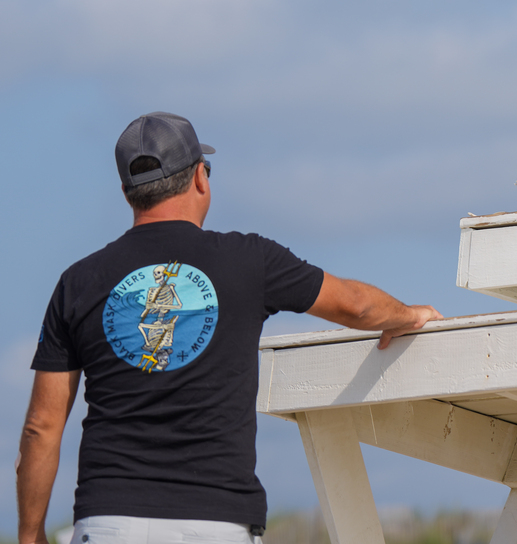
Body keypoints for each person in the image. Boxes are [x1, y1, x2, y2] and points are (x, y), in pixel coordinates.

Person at [17, 112, 443, 544]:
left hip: (108, 522)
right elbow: (354, 305)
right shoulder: (250, 260)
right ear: (200, 178)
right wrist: (409, 316)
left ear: (128, 193)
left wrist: (31, 536)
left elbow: (41, 428)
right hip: (214, 522)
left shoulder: (78, 282)